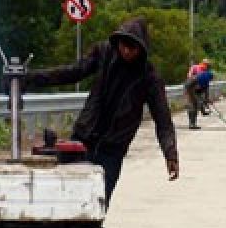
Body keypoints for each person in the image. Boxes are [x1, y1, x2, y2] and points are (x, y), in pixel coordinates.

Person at [25, 17, 179, 205]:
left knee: (97, 204)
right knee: (66, 200)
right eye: (124, 45)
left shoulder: (150, 77)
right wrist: (32, 78)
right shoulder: (103, 53)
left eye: (133, 47)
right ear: (118, 42)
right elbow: (73, 72)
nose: (127, 51)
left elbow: (163, 120)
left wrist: (170, 154)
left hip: (112, 149)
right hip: (82, 139)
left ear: (142, 49)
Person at [184, 58, 214, 129]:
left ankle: (194, 122)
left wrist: (207, 99)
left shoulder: (207, 75)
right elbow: (189, 81)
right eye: (207, 65)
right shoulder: (196, 69)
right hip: (190, 87)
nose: (207, 67)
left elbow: (206, 89)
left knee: (197, 104)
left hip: (197, 88)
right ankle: (192, 124)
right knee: (193, 105)